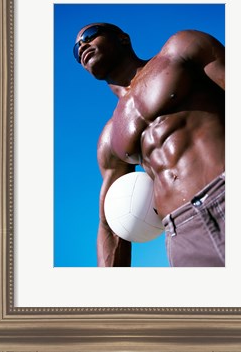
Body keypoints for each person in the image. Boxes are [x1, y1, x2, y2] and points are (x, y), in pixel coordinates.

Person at [73, 22, 225, 267]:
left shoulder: (180, 50)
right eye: (76, 48)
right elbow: (111, 227)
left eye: (90, 35)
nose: (82, 45)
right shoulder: (111, 137)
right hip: (183, 232)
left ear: (123, 38)